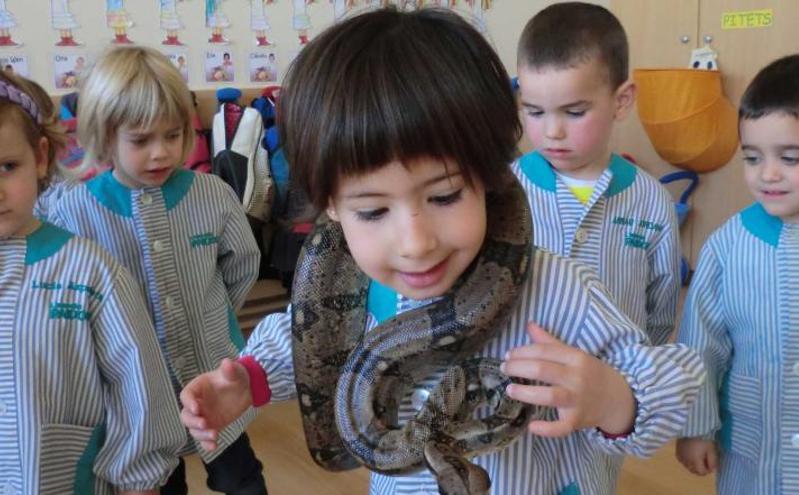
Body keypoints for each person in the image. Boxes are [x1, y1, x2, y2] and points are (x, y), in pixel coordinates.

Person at [177, 8, 704, 495]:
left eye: (445, 195)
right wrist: (248, 380)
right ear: (332, 209)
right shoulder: (355, 287)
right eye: (373, 211)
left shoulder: (554, 289)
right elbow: (304, 341)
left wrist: (615, 398)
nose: (416, 243)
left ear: (489, 180)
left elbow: (678, 375)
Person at [46, 46, 266, 495]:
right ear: (105, 138)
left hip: (211, 372)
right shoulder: (73, 211)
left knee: (240, 477)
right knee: (161, 482)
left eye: (173, 135)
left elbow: (242, 264)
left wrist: (212, 314)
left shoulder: (212, 194)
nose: (161, 153)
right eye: (141, 140)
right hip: (135, 397)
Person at [675, 54, 799, 494]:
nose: (767, 174)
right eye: (752, 157)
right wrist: (695, 426)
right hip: (759, 455)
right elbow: (700, 345)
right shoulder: (728, 246)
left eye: (790, 157)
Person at [0, 70, 185, 495]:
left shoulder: (89, 271)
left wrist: (140, 479)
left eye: (8, 167)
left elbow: (137, 384)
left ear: (41, 157)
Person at [512, 3, 680, 346]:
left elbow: (660, 310)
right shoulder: (504, 190)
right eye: (534, 111)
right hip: (520, 386)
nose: (552, 131)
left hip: (617, 385)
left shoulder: (651, 200)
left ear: (621, 101)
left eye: (574, 112)